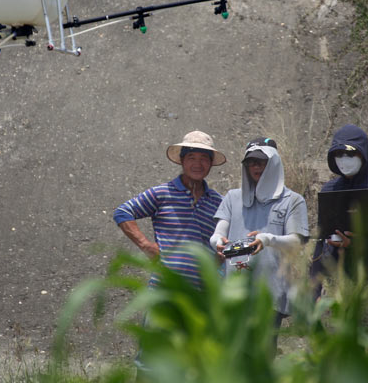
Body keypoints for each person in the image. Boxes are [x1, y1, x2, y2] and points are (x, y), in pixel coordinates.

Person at [209, 137, 309, 343]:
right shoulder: (232, 198)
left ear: (274, 163)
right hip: (234, 294)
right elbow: (218, 232)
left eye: (262, 162)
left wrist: (267, 239)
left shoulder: (292, 200)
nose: (256, 167)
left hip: (270, 295)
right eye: (251, 162)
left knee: (262, 355)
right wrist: (217, 242)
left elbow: (296, 242)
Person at [113, 130, 226, 288]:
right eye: (191, 158)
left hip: (200, 295)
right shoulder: (162, 193)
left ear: (211, 163)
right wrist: (146, 245)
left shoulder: (219, 202)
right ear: (182, 160)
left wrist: (219, 256)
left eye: (204, 158)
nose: (198, 164)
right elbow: (123, 212)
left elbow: (227, 240)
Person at [310, 124, 368, 296]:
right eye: (339, 154)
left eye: (351, 154)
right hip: (336, 286)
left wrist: (359, 243)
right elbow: (321, 241)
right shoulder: (329, 191)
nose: (344, 159)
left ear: (364, 154)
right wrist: (314, 292)